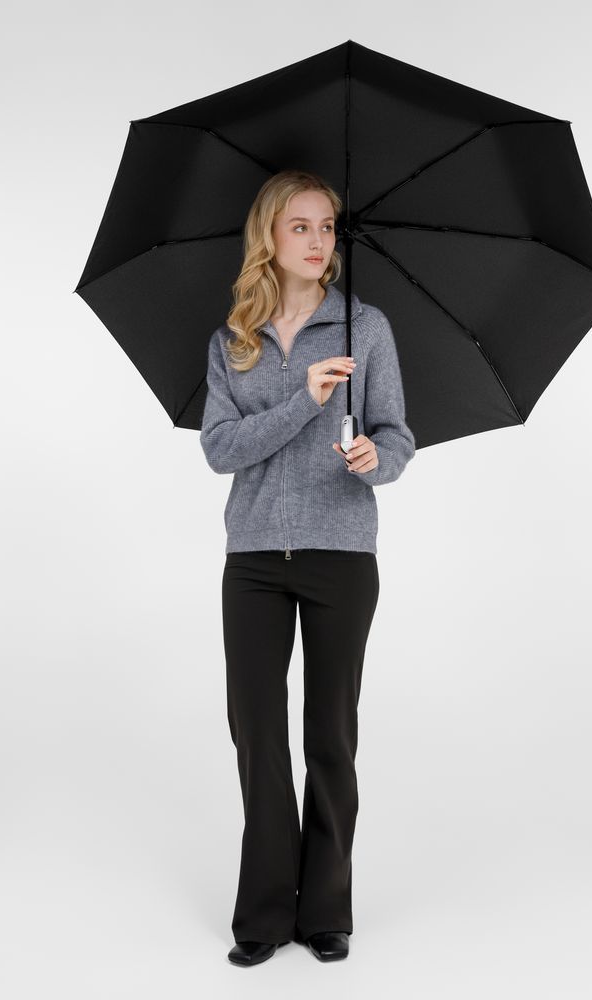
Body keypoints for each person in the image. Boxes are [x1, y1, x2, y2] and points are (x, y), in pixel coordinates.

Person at [200, 169, 416, 966]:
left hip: (340, 555)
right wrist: (305, 402)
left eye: (326, 226)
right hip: (253, 559)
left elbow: (396, 434)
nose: (318, 240)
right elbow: (219, 449)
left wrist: (374, 459)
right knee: (257, 734)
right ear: (269, 235)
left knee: (330, 734)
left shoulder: (365, 328)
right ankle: (263, 912)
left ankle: (325, 910)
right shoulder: (232, 339)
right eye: (300, 226)